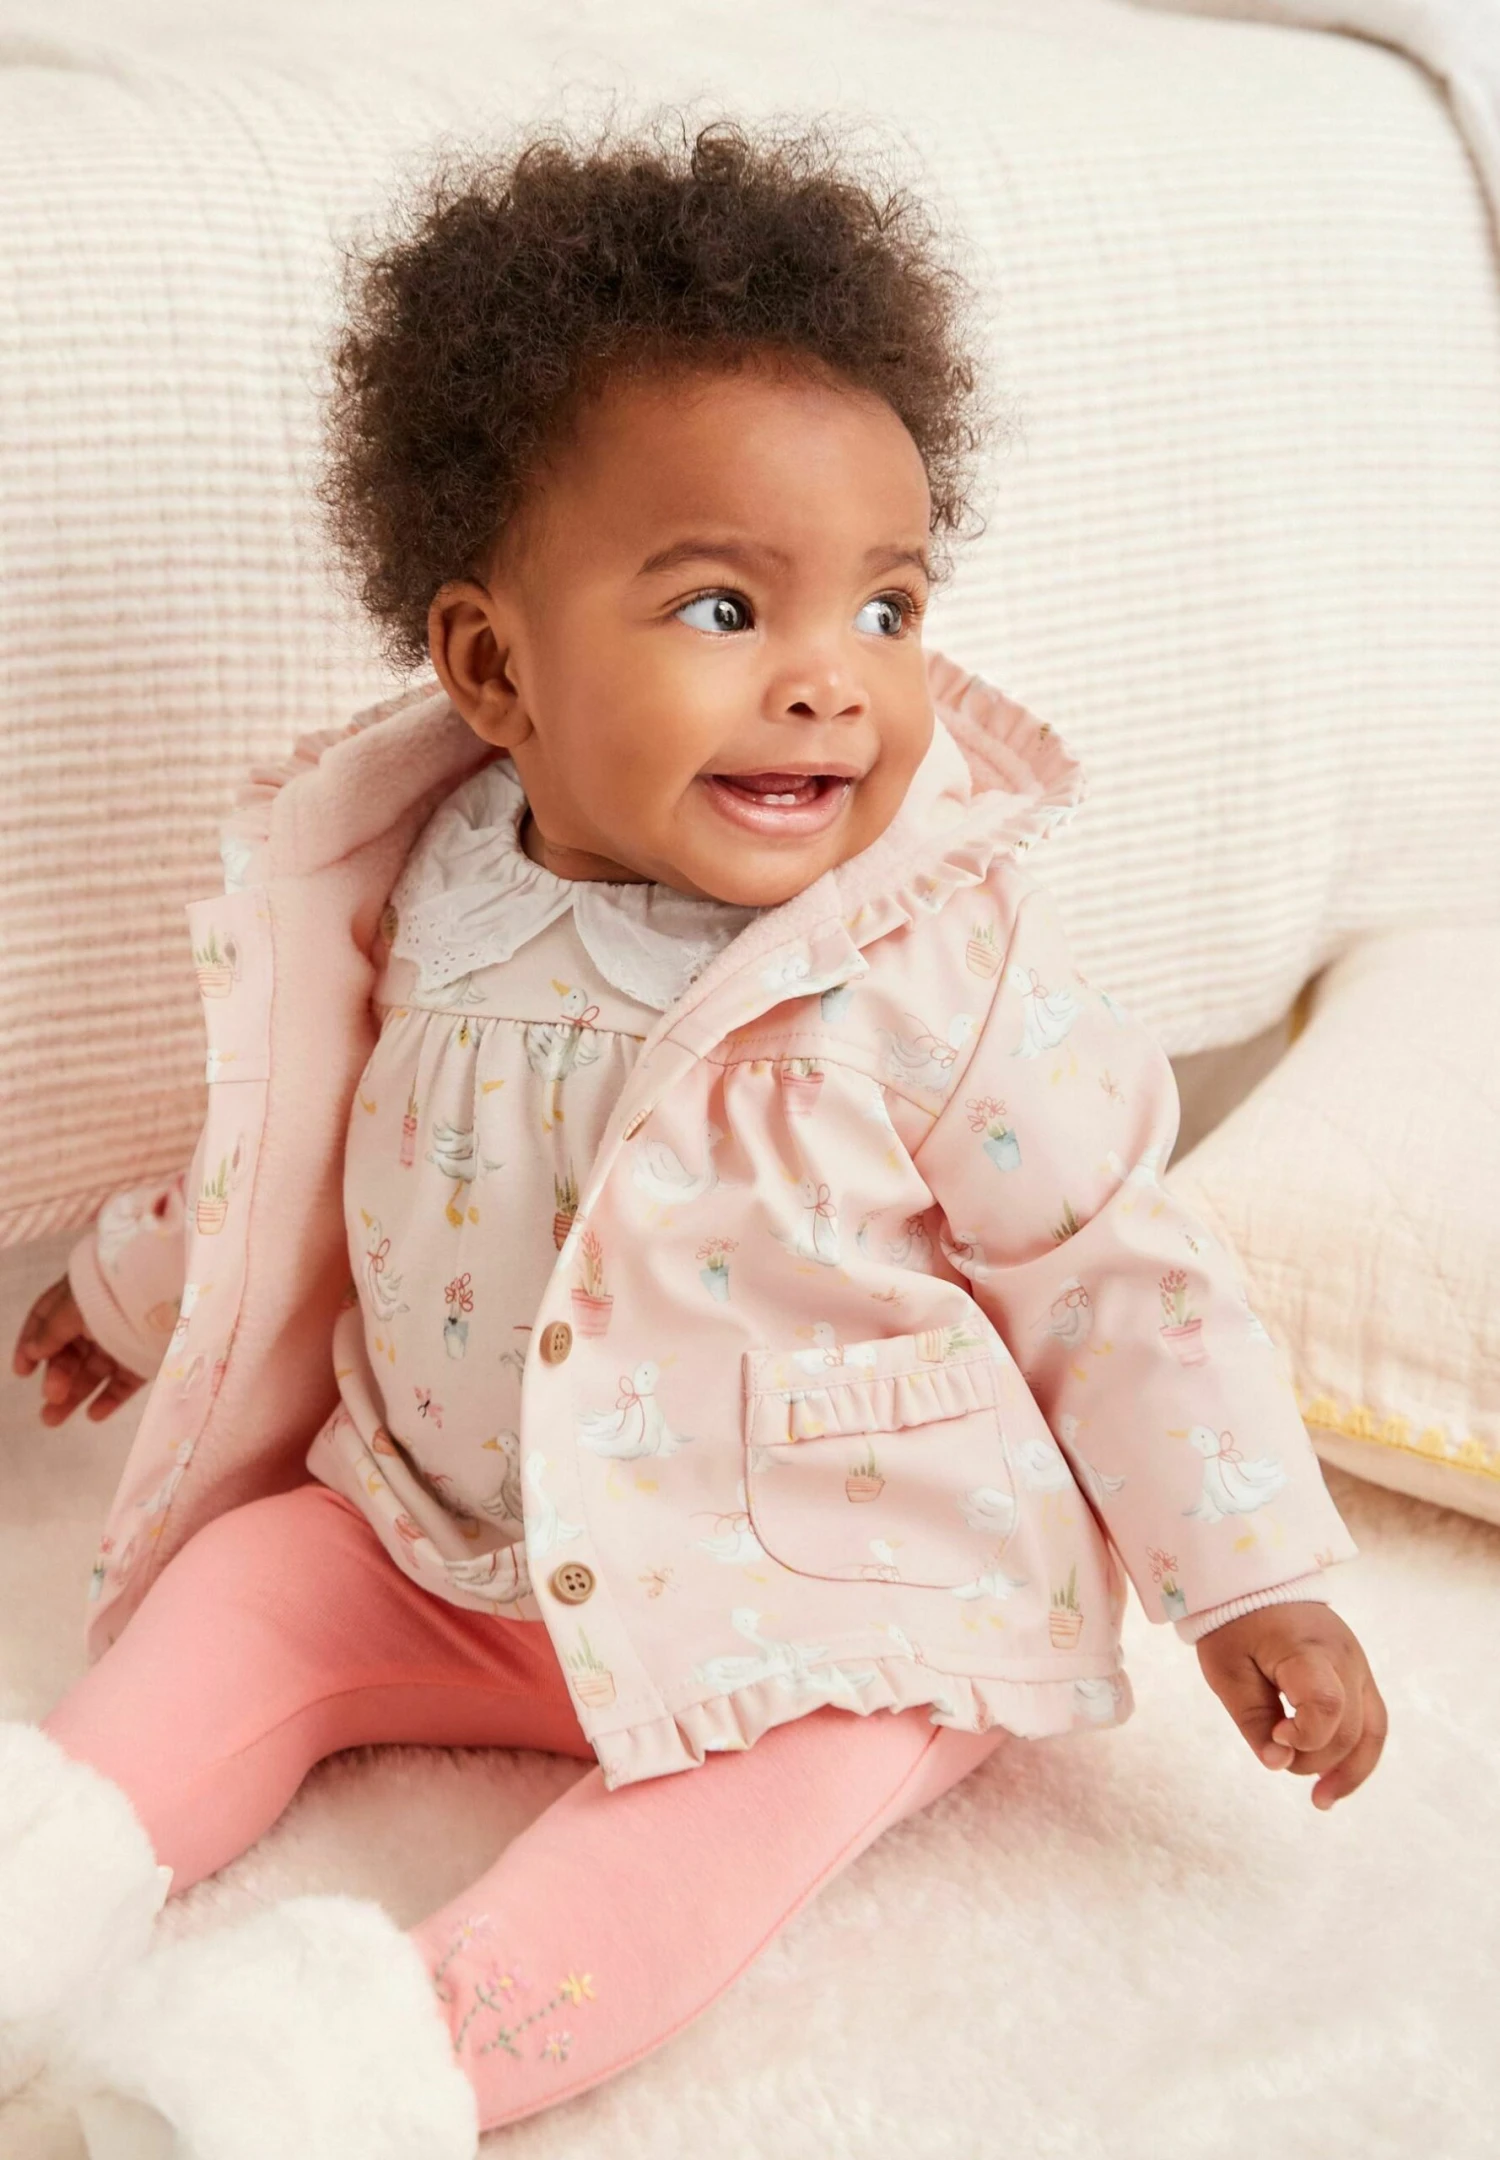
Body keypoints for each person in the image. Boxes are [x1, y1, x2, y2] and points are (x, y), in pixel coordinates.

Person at [3, 111, 1387, 2159]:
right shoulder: (424, 882)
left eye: (888, 611)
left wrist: (1248, 1574)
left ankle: (348, 2067)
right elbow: (297, 1163)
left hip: (822, 1590)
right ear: (493, 666)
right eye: (727, 610)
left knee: (728, 1822)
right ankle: (40, 1878)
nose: (833, 686)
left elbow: (1112, 1268)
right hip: (440, 1540)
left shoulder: (936, 959)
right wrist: (135, 1289)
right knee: (250, 1588)